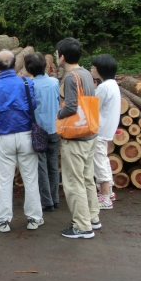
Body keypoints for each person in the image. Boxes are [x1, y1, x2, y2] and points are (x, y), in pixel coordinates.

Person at [0, 50, 44, 233]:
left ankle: (2, 220)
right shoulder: (27, 83)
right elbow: (33, 105)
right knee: (30, 179)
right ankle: (34, 218)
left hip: (4, 137)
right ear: (15, 65)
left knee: (4, 180)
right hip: (26, 134)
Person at [55, 37, 101, 239]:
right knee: (86, 178)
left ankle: (82, 227)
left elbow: (71, 107)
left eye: (57, 54)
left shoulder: (71, 77)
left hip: (76, 137)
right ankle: (92, 217)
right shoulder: (85, 74)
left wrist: (58, 114)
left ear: (62, 57)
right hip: (90, 134)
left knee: (74, 182)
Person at [24, 52, 61, 212]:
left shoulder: (30, 85)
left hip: (38, 130)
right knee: (53, 164)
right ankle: (55, 198)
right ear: (45, 65)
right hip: (55, 128)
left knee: (41, 166)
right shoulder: (54, 82)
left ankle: (46, 201)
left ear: (28, 69)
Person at [90, 54, 121, 209]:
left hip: (99, 129)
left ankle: (105, 197)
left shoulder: (103, 87)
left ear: (100, 70)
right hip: (107, 128)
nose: (91, 70)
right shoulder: (113, 84)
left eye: (93, 68)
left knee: (99, 161)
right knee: (104, 159)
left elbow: (93, 106)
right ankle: (109, 191)